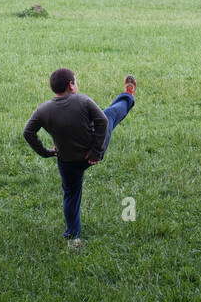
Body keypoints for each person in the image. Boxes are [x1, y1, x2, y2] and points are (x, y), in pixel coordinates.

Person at [23, 70, 136, 248]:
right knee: (110, 115)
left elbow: (28, 132)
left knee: (71, 195)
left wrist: (46, 152)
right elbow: (103, 122)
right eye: (76, 80)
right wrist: (96, 152)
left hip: (67, 161)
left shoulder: (43, 110)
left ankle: (73, 237)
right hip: (92, 152)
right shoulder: (83, 100)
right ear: (71, 84)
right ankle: (127, 96)